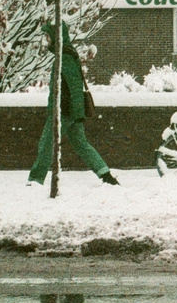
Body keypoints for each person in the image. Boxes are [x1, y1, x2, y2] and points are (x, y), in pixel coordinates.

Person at [28, 21, 119, 186]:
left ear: (56, 37)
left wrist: (62, 111)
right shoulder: (66, 54)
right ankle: (106, 175)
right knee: (81, 144)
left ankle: (35, 180)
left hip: (64, 110)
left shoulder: (65, 57)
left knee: (47, 144)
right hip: (71, 110)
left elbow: (71, 87)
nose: (46, 39)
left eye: (48, 35)